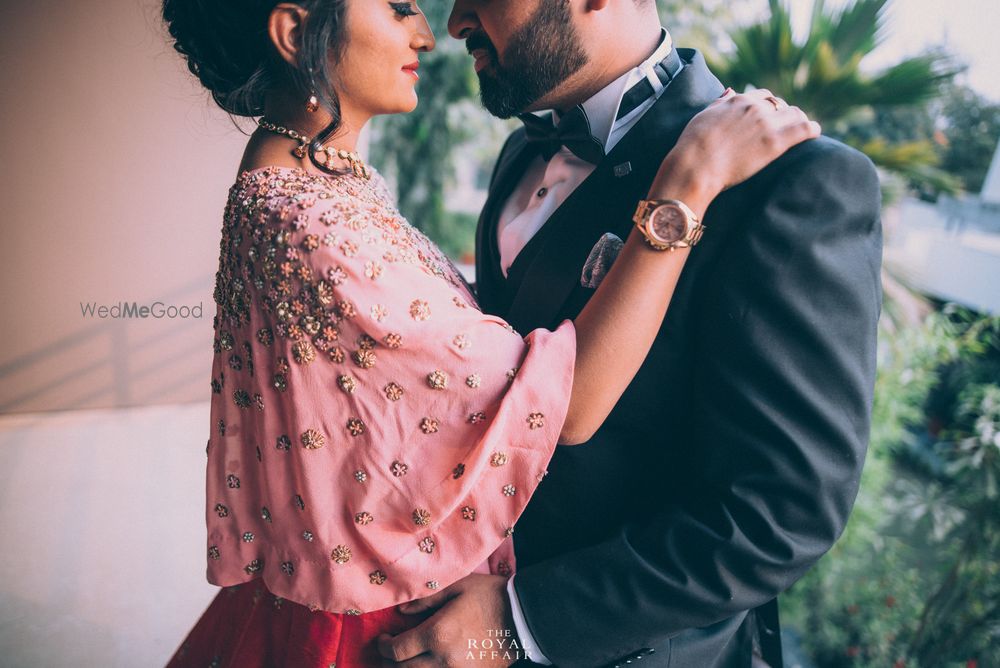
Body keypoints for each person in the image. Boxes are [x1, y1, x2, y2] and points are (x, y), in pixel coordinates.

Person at [160, 0, 821, 666]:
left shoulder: (320, 183)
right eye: (397, 8)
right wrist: (686, 184)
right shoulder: (307, 220)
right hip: (393, 617)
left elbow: (779, 514)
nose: (436, 30)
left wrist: (526, 619)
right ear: (296, 34)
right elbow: (564, 401)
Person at [375, 1, 883, 667]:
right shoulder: (518, 156)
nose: (456, 21)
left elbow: (781, 514)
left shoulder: (791, 181)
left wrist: (519, 620)